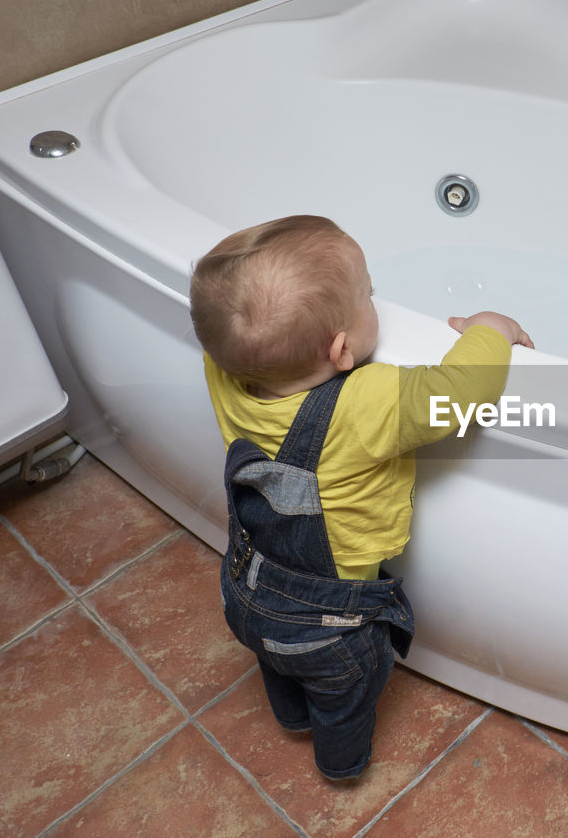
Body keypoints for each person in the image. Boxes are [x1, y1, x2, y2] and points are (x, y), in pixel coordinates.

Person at [189, 214, 532, 780]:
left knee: (277, 658)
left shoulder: (223, 372)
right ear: (342, 350)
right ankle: (341, 765)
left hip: (247, 591)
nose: (374, 300)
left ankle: (292, 717)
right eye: (368, 296)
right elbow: (461, 394)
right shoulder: (367, 402)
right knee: (346, 696)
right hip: (333, 626)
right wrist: (490, 328)